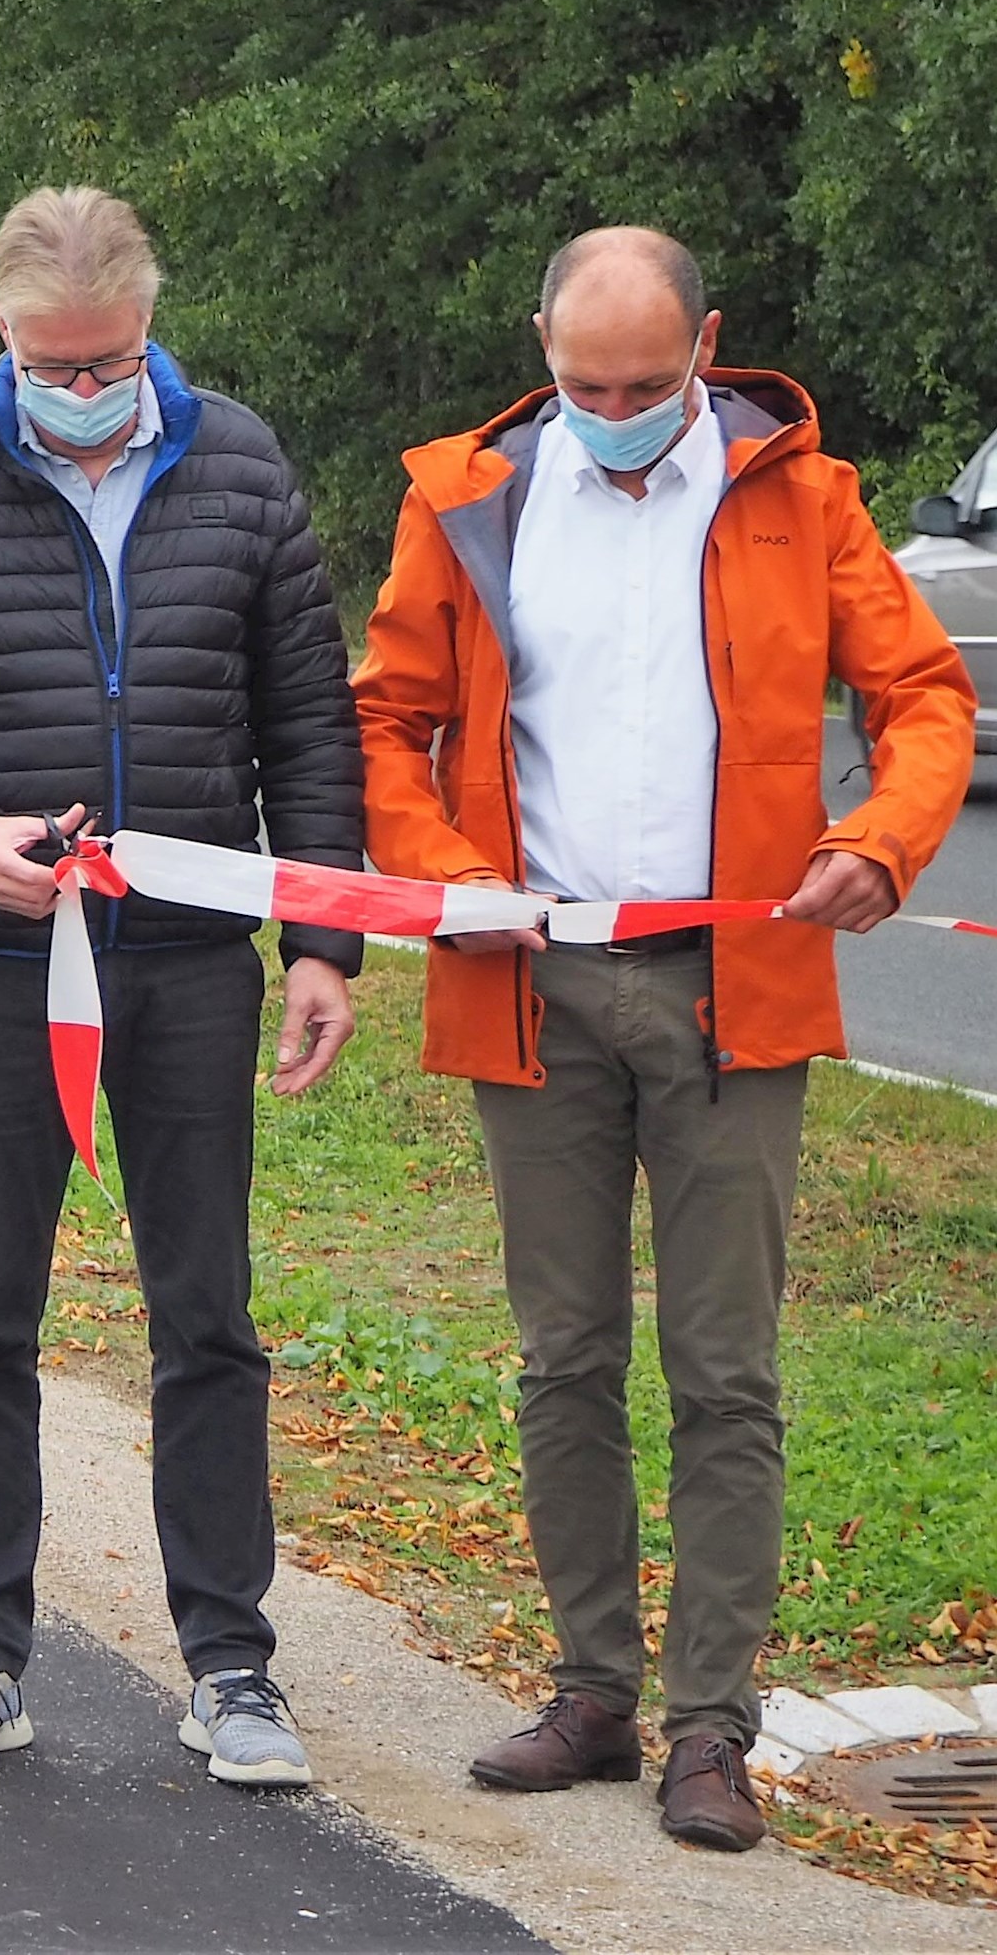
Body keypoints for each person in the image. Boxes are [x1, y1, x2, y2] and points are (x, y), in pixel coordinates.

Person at [354, 227, 974, 1853]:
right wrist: (447, 879)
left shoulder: (801, 496)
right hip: (533, 981)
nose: (618, 412)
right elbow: (385, 721)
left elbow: (922, 701)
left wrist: (884, 839)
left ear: (707, 340)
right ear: (542, 349)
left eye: (649, 382)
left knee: (724, 1367)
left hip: (733, 986)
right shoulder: (468, 497)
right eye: (585, 385)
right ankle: (590, 1692)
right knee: (563, 1357)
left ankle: (713, 1724)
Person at [0, 186, 363, 1794]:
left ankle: (232, 1662)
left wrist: (322, 938)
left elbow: (309, 720)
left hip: (192, 962)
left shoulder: (241, 461)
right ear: (1, 333)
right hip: (1, 959)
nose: (80, 386)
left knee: (209, 1313)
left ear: (147, 326)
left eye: (107, 357)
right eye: (51, 362)